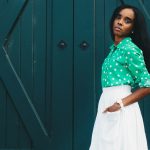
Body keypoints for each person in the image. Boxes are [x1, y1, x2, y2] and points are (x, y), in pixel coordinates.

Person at [89, 4, 150, 150]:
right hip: (107, 103)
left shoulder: (130, 49)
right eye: (118, 17)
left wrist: (119, 104)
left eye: (127, 20)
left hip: (122, 107)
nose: (120, 22)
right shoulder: (114, 50)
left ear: (133, 28)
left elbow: (147, 85)